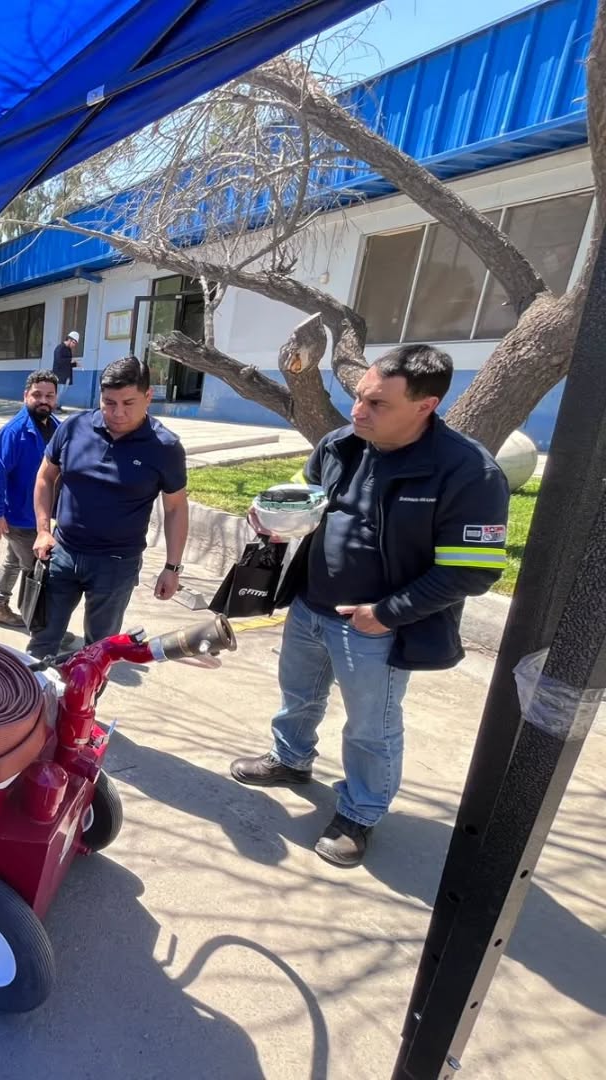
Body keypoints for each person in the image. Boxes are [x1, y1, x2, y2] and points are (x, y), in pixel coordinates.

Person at [230, 345, 509, 869]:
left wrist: (384, 614)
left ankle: (359, 812)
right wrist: (274, 517)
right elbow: (308, 506)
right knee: (298, 696)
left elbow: (470, 569)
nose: (358, 411)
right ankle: (291, 760)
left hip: (377, 626)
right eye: (359, 397)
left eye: (377, 404)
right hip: (311, 608)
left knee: (370, 727)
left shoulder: (467, 471)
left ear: (426, 406)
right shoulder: (341, 445)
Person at [28, 356, 189, 659]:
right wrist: (42, 531)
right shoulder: (75, 427)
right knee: (41, 642)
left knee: (97, 652)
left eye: (129, 403)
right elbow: (45, 477)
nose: (117, 413)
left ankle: (83, 707)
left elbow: (176, 509)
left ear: (148, 396)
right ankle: (33, 705)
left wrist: (172, 567)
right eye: (109, 403)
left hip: (116, 565)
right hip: (62, 553)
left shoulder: (165, 448)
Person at [0, 370, 60, 627]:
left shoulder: (56, 427)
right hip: (21, 518)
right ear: (25, 395)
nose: (43, 400)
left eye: (49, 395)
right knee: (37, 572)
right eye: (37, 395)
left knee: (14, 559)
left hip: (42, 515)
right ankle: (38, 625)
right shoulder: (14, 431)